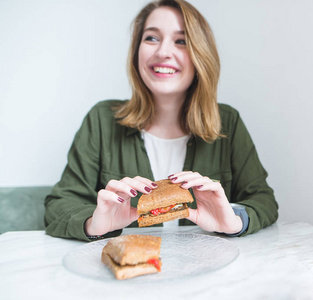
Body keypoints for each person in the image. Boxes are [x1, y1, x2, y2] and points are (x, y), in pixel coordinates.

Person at [44, 0, 278, 242]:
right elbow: (60, 204)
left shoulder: (228, 123)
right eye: (151, 38)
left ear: (201, 54)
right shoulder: (102, 120)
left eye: (181, 41)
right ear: (136, 51)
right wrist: (94, 223)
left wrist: (235, 219)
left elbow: (263, 200)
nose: (163, 52)